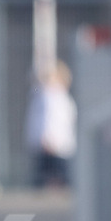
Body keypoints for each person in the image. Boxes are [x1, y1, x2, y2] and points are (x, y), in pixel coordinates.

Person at [25, 61, 77, 190]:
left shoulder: (52, 96)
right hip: (56, 145)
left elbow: (50, 119)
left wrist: (47, 137)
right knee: (55, 177)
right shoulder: (56, 97)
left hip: (52, 145)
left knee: (50, 178)